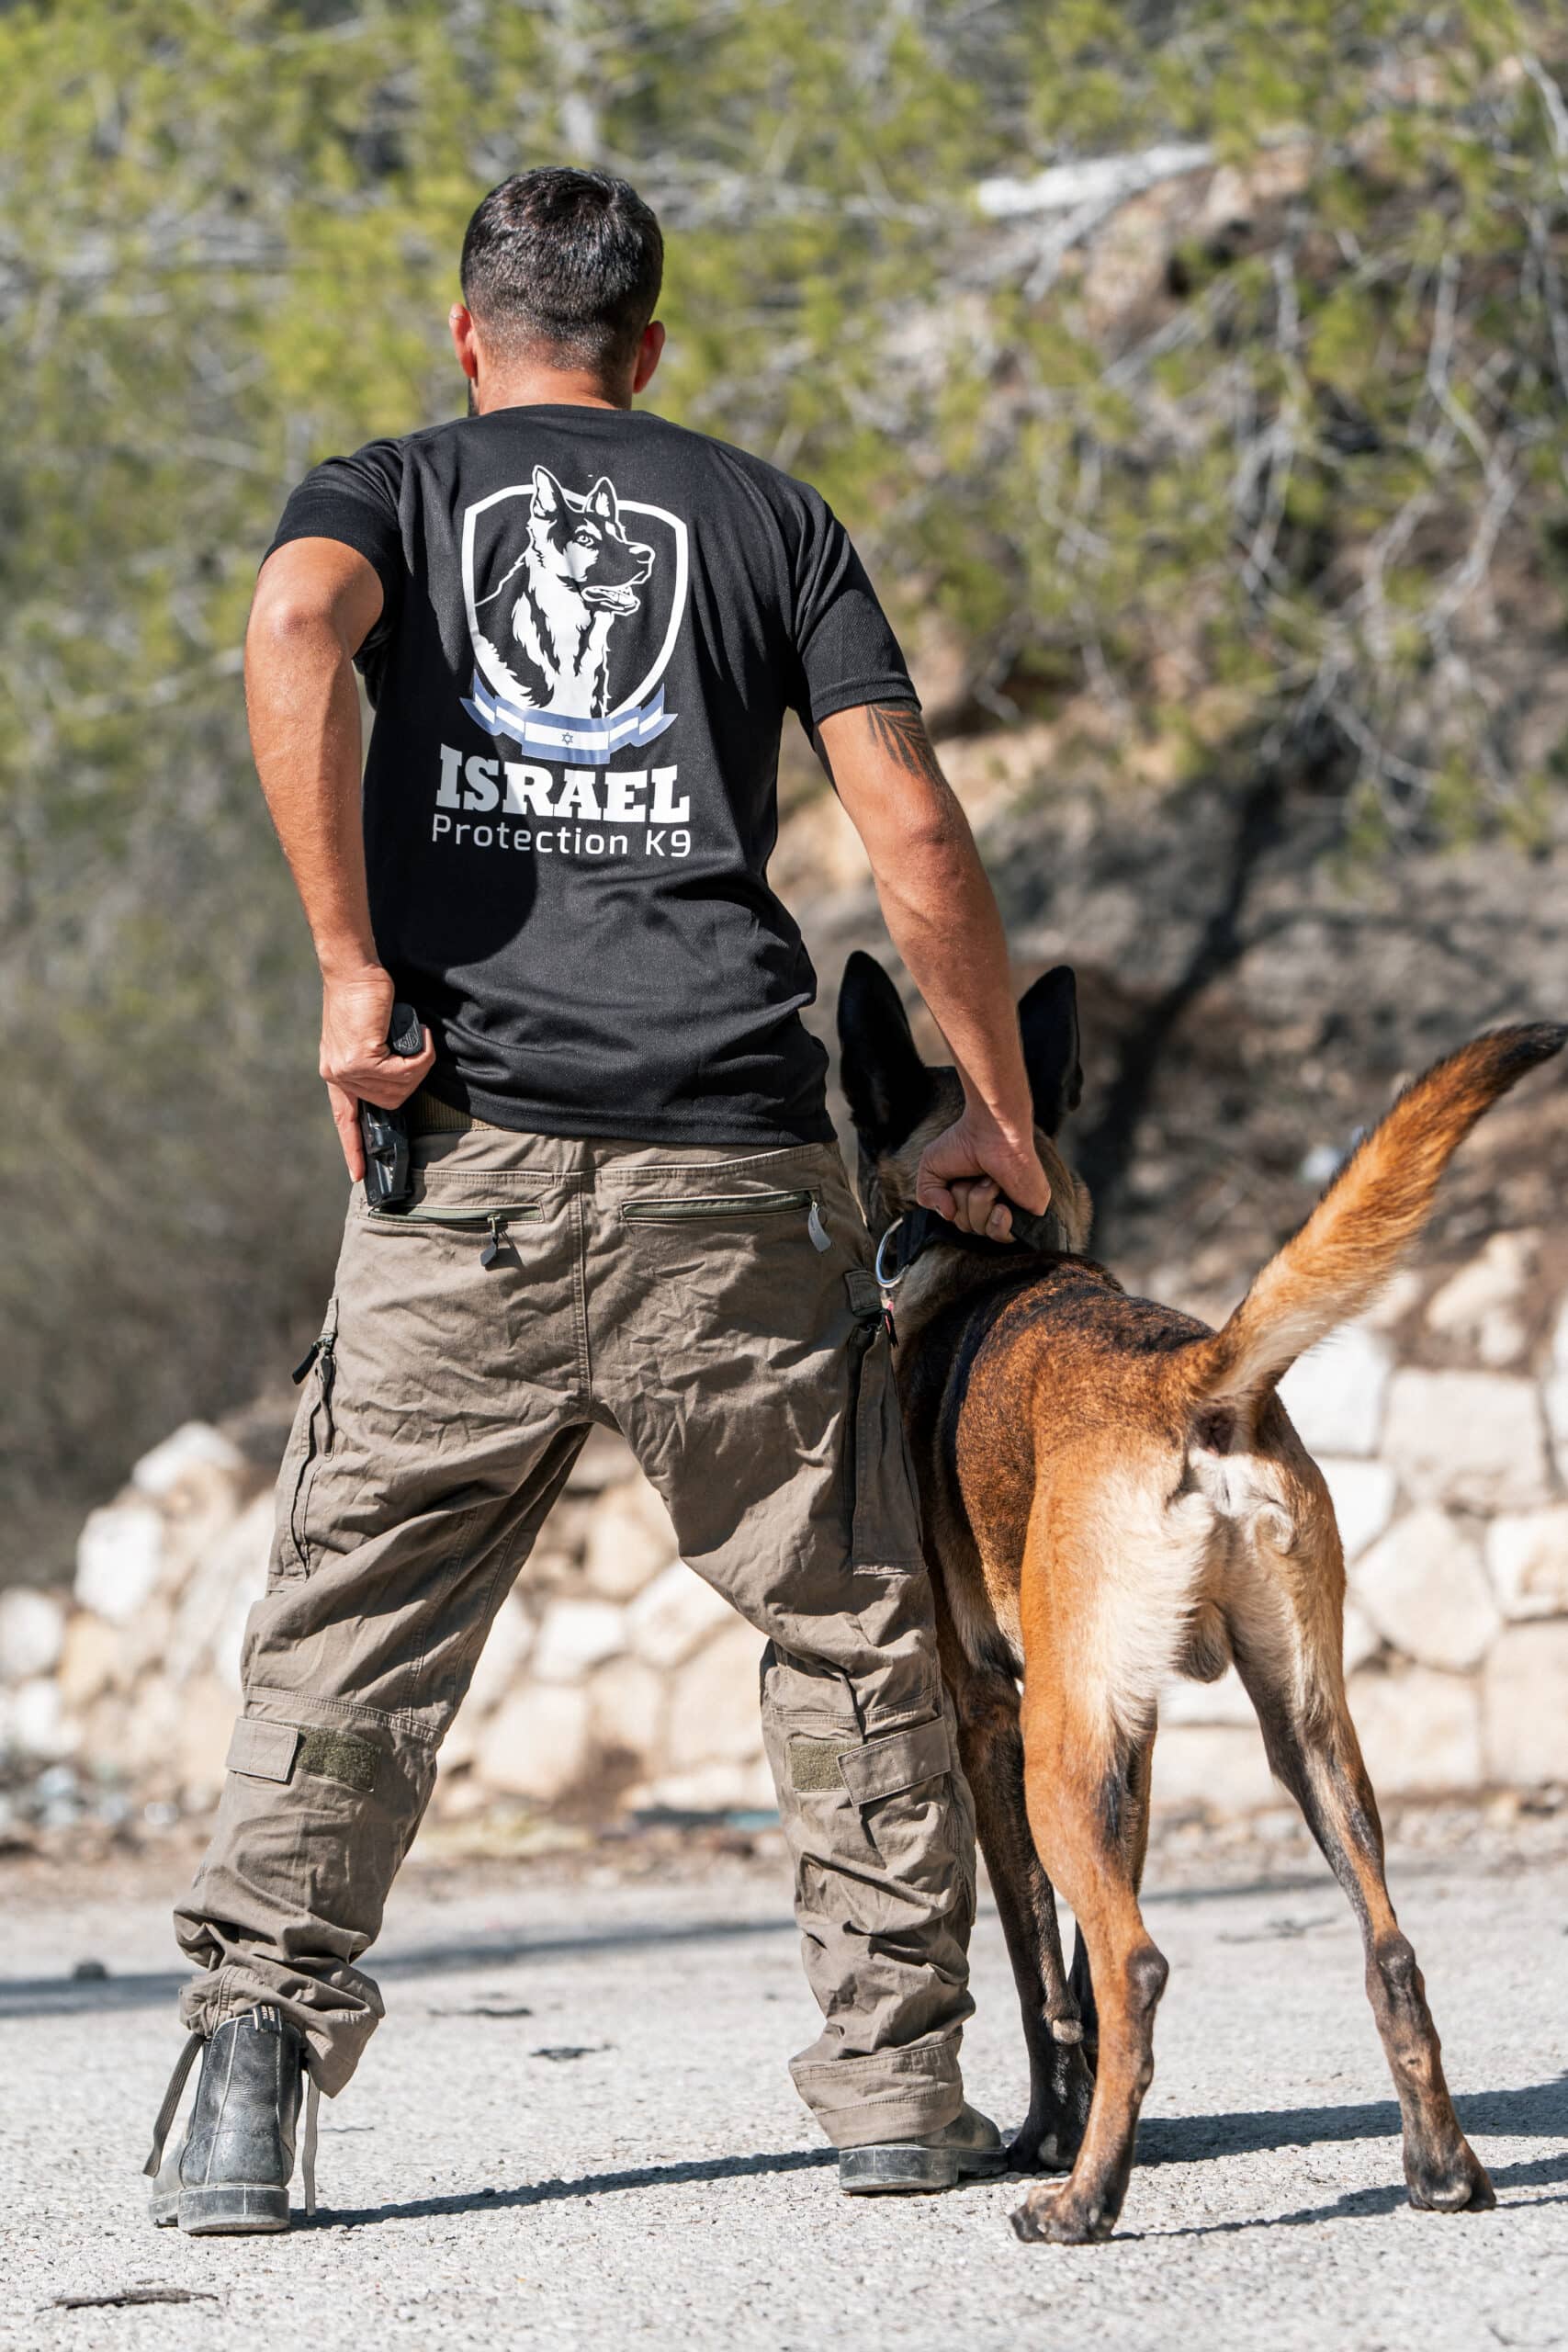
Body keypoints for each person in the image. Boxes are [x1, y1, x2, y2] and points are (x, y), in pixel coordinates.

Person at [144, 166, 1051, 2236]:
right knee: (840, 1617)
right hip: (726, 1165)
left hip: (459, 1156)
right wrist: (989, 1104)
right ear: (647, 349)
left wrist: (350, 967)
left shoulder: (386, 482)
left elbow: (293, 623)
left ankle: (245, 2087)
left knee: (353, 1621)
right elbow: (904, 817)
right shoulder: (766, 515)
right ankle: (896, 2092)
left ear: (469, 334)